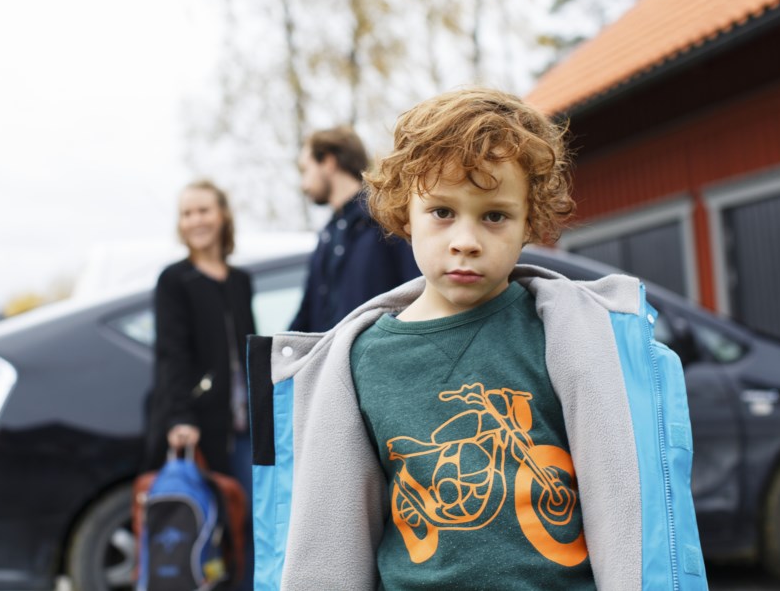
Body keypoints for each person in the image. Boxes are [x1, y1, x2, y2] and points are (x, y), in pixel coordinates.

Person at [246, 89, 707, 590]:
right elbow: (338, 535)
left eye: (494, 216)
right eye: (442, 212)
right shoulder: (360, 361)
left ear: (529, 220)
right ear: (405, 213)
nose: (465, 239)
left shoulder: (568, 338)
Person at [146, 179, 255, 494]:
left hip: (245, 424)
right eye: (187, 214)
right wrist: (180, 416)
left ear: (222, 215)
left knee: (248, 515)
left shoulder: (241, 281)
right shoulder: (174, 280)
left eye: (203, 211)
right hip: (199, 424)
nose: (195, 221)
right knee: (208, 517)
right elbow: (171, 353)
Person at [290, 126, 420, 332]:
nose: (303, 184)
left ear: (329, 162)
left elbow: (416, 293)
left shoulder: (387, 218)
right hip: (329, 362)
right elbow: (306, 314)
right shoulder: (327, 236)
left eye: (305, 170)